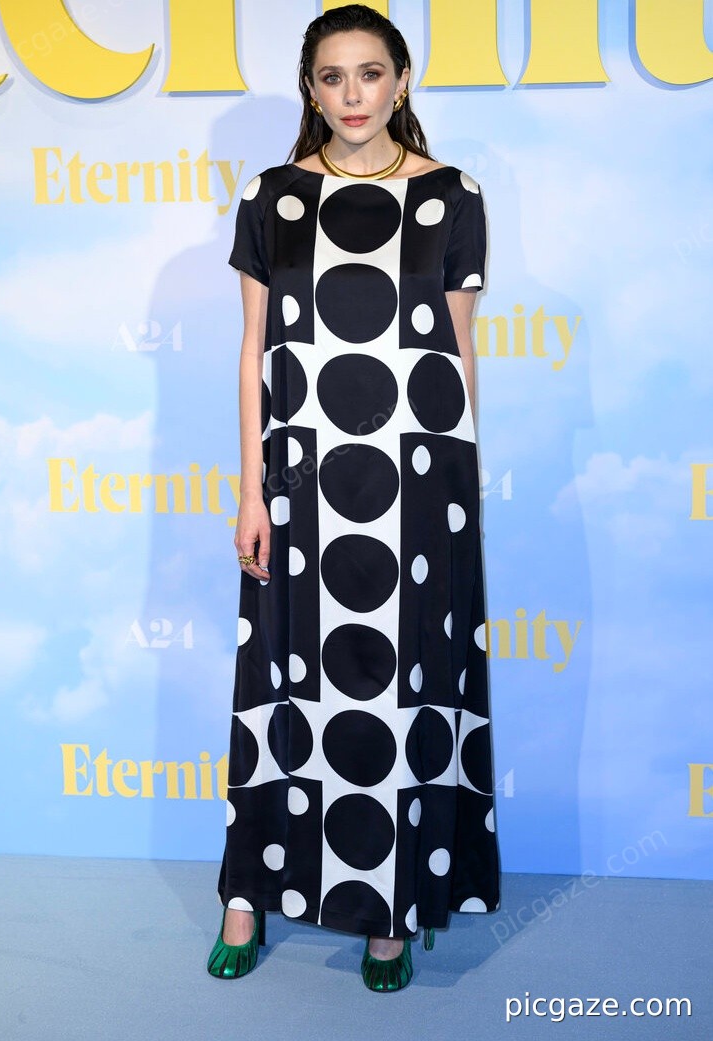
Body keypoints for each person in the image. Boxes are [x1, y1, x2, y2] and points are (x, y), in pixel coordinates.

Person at [207, 3, 500, 992]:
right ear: (310, 89)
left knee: (399, 680)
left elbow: (457, 350)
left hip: (414, 485)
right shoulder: (272, 197)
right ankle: (247, 895)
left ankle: (388, 913)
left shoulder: (453, 197)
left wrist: (460, 494)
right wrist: (252, 489)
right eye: (331, 77)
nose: (352, 95)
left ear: (401, 80)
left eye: (369, 73)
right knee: (281, 681)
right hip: (302, 482)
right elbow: (254, 350)